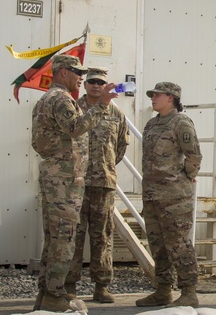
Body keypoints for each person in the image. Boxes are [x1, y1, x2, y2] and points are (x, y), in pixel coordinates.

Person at [30, 54, 118, 313]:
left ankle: (46, 295)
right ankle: (55, 294)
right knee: (64, 239)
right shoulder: (59, 99)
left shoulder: (51, 98)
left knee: (55, 237)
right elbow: (77, 128)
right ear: (61, 72)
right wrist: (102, 105)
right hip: (64, 179)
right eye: (76, 72)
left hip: (60, 177)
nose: (80, 77)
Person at [135, 82, 202, 308]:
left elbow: (194, 155)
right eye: (152, 95)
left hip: (174, 196)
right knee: (158, 245)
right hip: (152, 194)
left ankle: (189, 291)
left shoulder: (181, 122)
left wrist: (187, 177)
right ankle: (163, 290)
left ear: (171, 98)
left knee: (178, 244)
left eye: (157, 95)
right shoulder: (152, 124)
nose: (153, 98)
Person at [66, 68, 129, 303]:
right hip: (76, 184)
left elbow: (121, 146)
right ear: (84, 85)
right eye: (91, 81)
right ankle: (69, 284)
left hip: (103, 184)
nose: (95, 85)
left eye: (100, 83)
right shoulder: (73, 109)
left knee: (102, 236)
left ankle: (101, 285)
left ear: (105, 86)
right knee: (74, 236)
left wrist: (106, 166)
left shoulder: (116, 114)